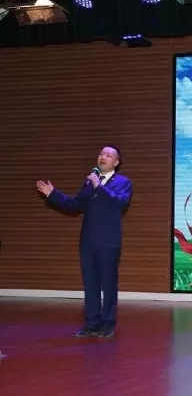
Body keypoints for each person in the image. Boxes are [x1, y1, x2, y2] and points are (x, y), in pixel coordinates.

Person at [36, 145, 132, 338]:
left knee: (108, 284)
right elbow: (74, 205)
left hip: (108, 242)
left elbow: (119, 203)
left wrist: (99, 186)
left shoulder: (123, 182)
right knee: (90, 283)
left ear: (116, 162)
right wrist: (52, 194)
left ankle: (108, 324)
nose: (103, 157)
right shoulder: (89, 182)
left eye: (108, 155)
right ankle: (92, 323)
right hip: (88, 241)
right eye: (101, 154)